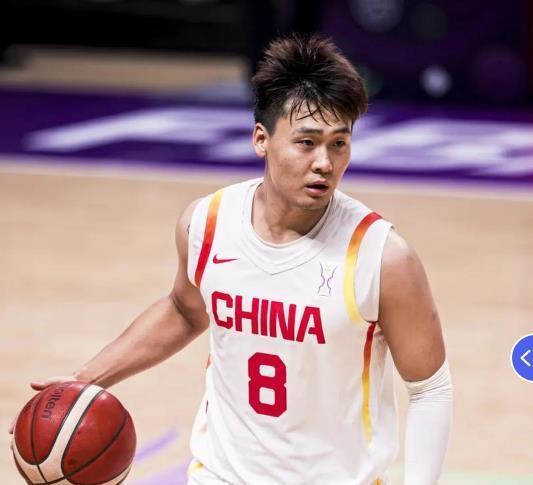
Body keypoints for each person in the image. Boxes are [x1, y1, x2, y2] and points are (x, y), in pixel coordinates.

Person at [11, 35, 452, 484]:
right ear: (262, 139)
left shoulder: (382, 257)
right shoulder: (208, 223)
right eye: (307, 142)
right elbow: (185, 309)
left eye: (339, 144)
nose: (325, 162)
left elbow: (429, 389)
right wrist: (85, 380)